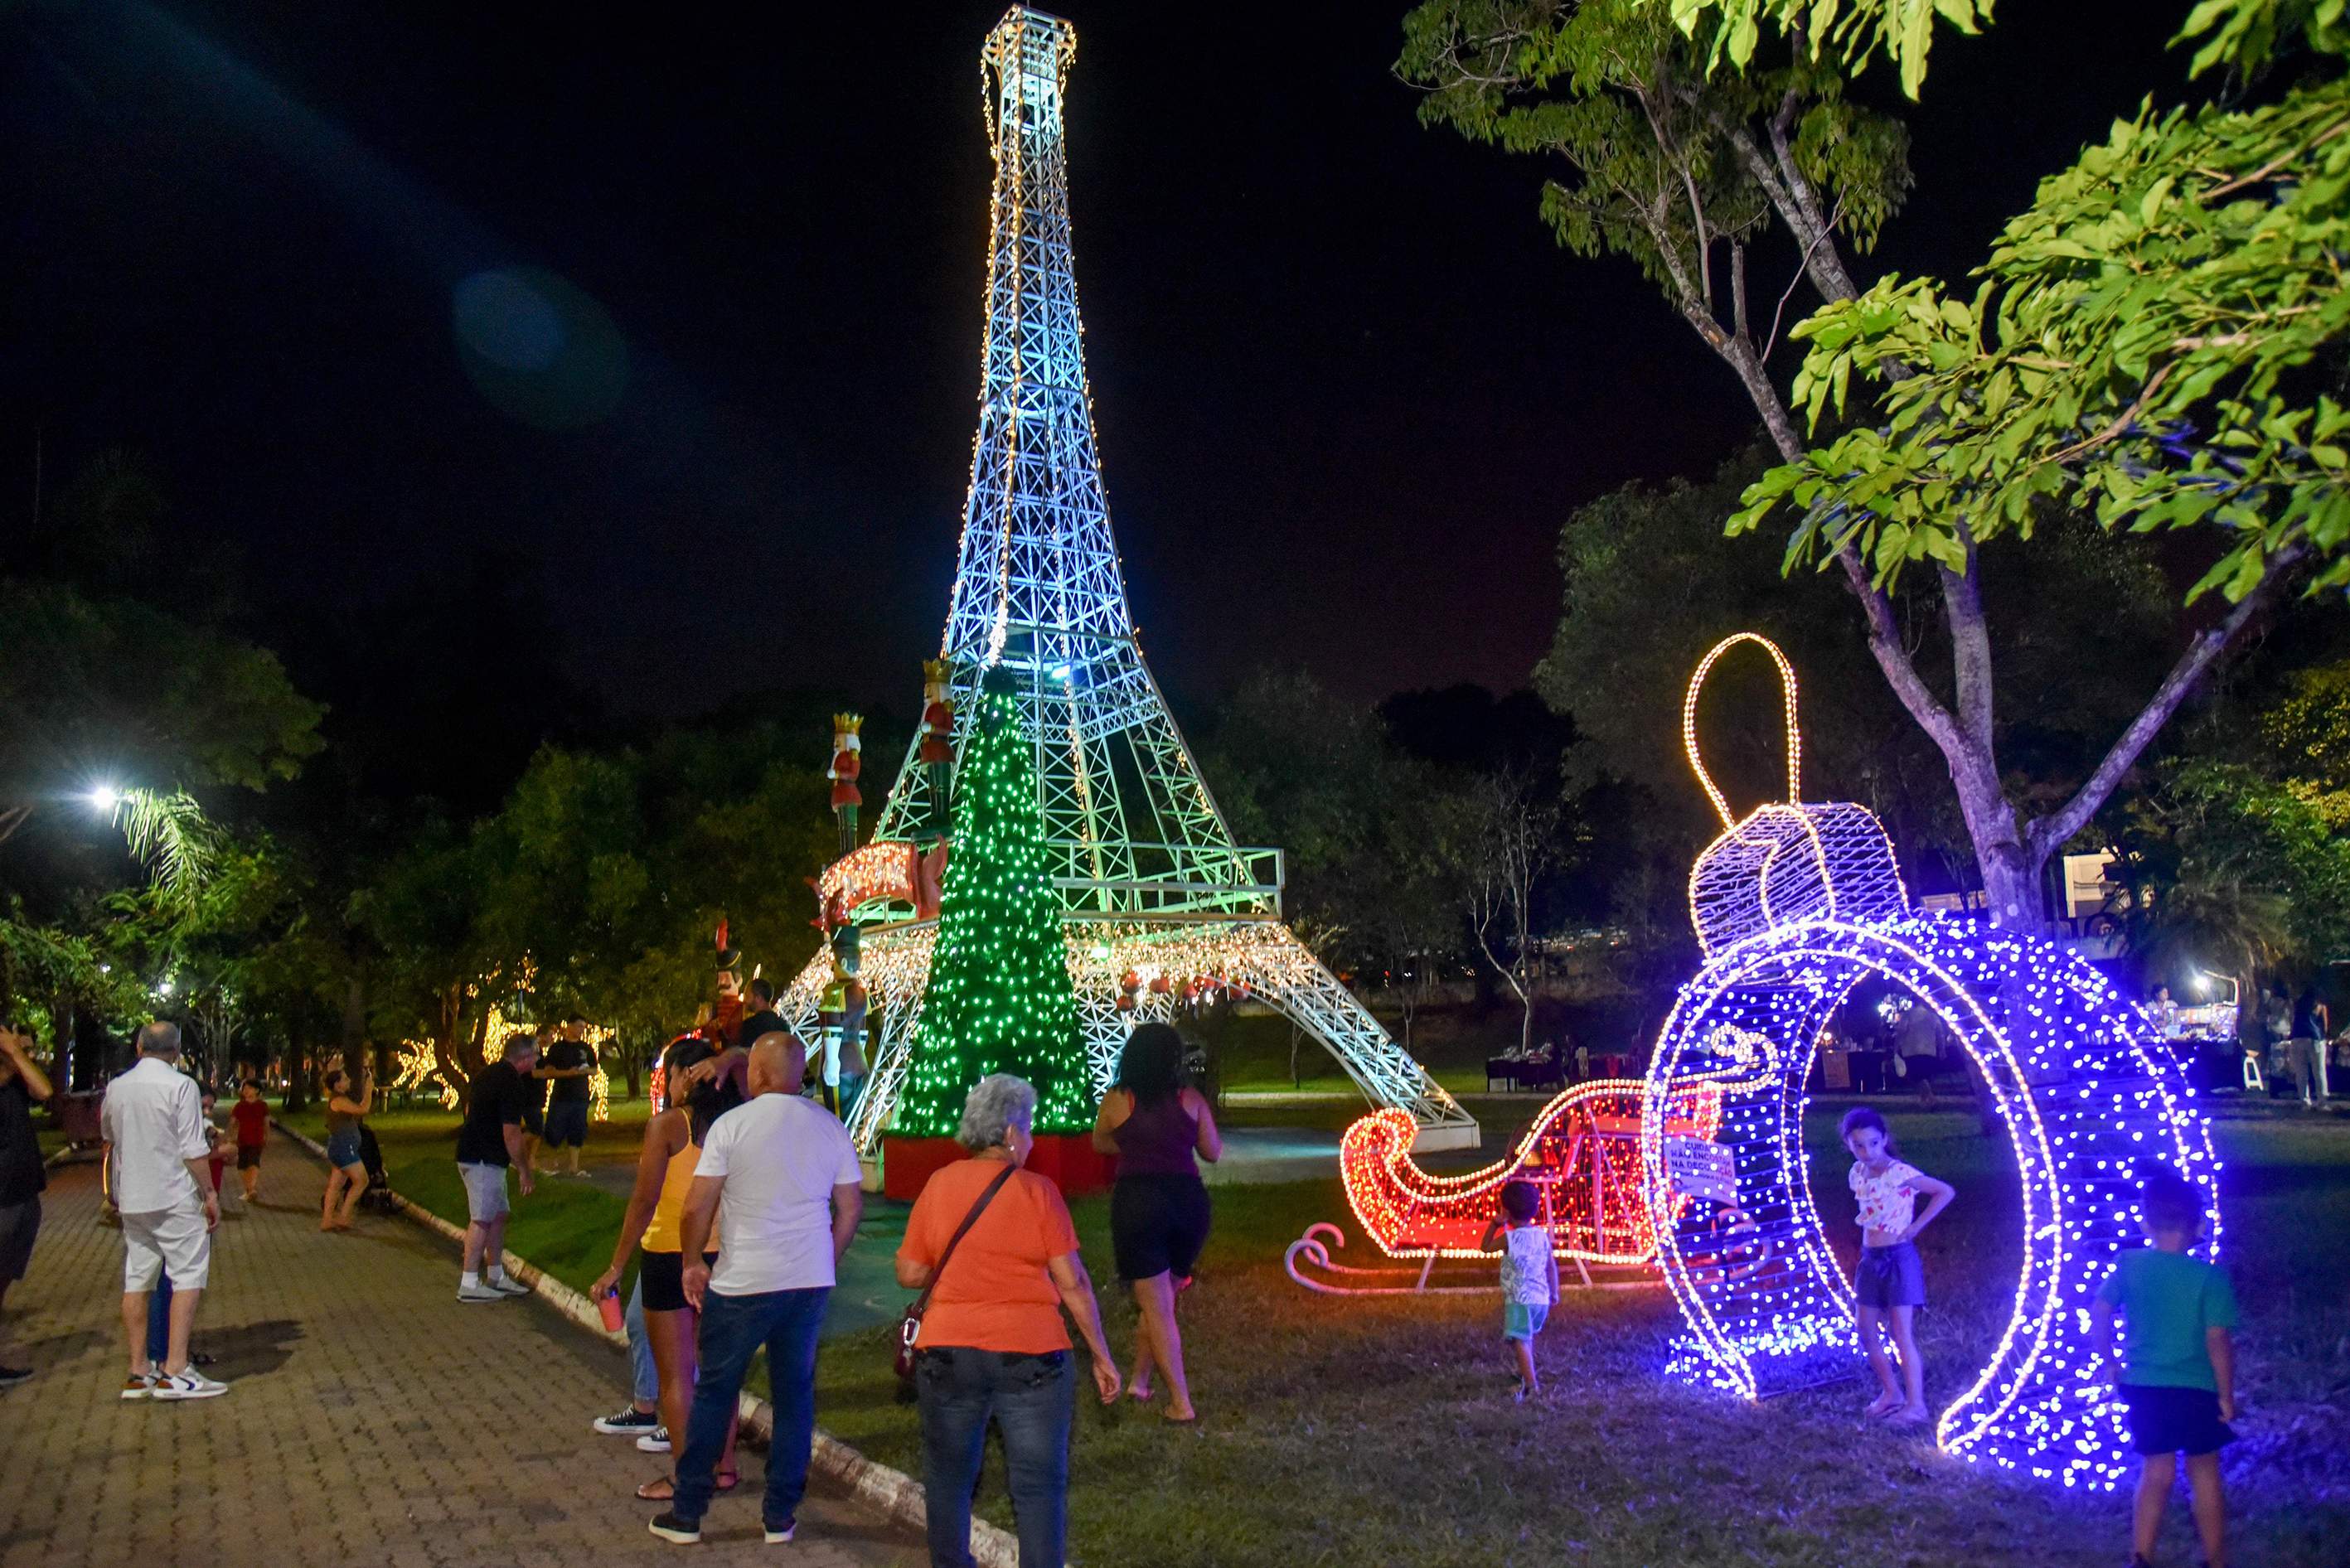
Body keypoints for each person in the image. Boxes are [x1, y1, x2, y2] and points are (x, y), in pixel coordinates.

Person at [648, 1033, 863, 1548]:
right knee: (794, 1398)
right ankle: (780, 1516)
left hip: (743, 1282)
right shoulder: (830, 1126)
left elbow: (697, 1207)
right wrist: (825, 1259)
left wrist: (693, 1261)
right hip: (805, 1286)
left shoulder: (732, 1126)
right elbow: (851, 1208)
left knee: (716, 1392)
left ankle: (689, 1512)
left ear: (759, 1076)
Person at [898, 1074, 1121, 1568]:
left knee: (949, 1478)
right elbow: (1073, 1285)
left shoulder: (939, 1185)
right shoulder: (1040, 1193)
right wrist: (1102, 1356)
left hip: (948, 1353)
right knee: (1039, 1488)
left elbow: (909, 1271)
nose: (1034, 1139)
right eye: (1030, 1128)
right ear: (1010, 1133)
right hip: (1032, 1357)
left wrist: (961, 1267)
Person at [594, 1038, 740, 1498]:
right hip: (725, 1257)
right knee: (718, 1372)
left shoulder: (667, 1127)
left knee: (677, 1377)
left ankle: (685, 1477)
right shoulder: (736, 1122)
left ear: (681, 1076)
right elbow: (757, 1056)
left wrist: (617, 1264)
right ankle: (725, 1466)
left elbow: (644, 1200)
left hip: (670, 1256)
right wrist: (727, 1058)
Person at [2093, 1168, 2236, 1568]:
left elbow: (2100, 1313)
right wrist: (2226, 1394)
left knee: (2156, 1471)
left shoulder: (2130, 1265)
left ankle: (2141, 1557)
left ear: (2146, 1221)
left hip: (2145, 1387)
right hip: (2196, 1389)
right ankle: (2216, 1560)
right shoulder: (2210, 1277)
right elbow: (2218, 1341)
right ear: (2195, 1224)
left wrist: (2110, 1363)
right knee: (2204, 1472)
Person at [1090, 1022, 1219, 1421]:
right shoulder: (1191, 1099)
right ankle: (1140, 1382)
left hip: (1138, 1205)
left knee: (1157, 1306)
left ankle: (1180, 1403)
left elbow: (1100, 1143)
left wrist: (1134, 1145)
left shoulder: (1117, 1100)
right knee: (1162, 1299)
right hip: (1188, 1205)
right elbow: (1212, 1152)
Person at [100, 1021, 225, 1401]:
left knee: (138, 1279)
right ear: (176, 1051)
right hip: (172, 1196)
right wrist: (209, 1193)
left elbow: (108, 1134)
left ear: (139, 1046)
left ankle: (140, 1371)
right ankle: (176, 1369)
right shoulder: (181, 1086)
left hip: (134, 1198)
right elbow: (192, 1147)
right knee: (187, 1276)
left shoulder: (117, 1087)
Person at [1839, 1106, 1955, 1425]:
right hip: (1870, 1258)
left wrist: (1916, 1227)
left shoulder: (1899, 1173)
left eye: (1874, 1143)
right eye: (1859, 1145)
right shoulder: (1857, 1173)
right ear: (1849, 1144)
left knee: (1900, 1333)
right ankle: (1892, 1392)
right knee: (1866, 1329)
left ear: (1884, 1140)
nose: (1867, 1152)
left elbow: (1943, 1191)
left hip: (1899, 1257)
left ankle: (1916, 1405)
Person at [454, 1033, 538, 1303]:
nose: (538, 1059)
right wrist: (525, 1169)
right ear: (524, 1058)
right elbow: (511, 1133)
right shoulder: (511, 1083)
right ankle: (469, 1282)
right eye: (536, 1054)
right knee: (482, 1218)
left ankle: (496, 1274)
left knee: (498, 1214)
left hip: (479, 1154)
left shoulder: (488, 1073)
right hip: (483, 1159)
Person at [0, 1022, 56, 1386]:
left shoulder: (14, 1077)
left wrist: (18, 1056)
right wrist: (13, 1055)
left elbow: (44, 1090)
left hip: (22, 1191)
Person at [1479, 1178, 1558, 1402]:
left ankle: (1532, 1386)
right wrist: (1555, 1291)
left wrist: (1495, 1224)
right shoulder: (1541, 1236)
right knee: (1526, 1338)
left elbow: (1484, 1248)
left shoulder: (1509, 1238)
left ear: (1506, 1210)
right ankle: (1524, 1372)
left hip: (1519, 1300)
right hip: (1540, 1300)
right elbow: (1551, 1264)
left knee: (1521, 1341)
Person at [540, 1015, 599, 1177]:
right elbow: (549, 1071)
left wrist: (584, 1071)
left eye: (583, 1027)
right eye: (579, 1026)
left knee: (577, 1130)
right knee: (554, 1130)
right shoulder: (558, 1048)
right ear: (570, 1027)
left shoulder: (586, 1048)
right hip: (561, 1096)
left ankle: (574, 1166)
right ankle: (552, 1163)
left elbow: (594, 1069)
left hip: (580, 1096)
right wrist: (567, 1073)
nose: (582, 1030)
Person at [318, 1066, 373, 1232]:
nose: (349, 1081)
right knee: (361, 1180)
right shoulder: (339, 1101)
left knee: (335, 1185)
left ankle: (327, 1220)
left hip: (340, 1146)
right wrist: (369, 1090)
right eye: (345, 1079)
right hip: (344, 1147)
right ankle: (343, 1217)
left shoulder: (340, 1099)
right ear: (337, 1085)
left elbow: (358, 1109)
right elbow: (363, 1110)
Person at [518, 1023, 555, 1177]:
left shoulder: (539, 1052)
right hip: (529, 1096)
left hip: (536, 1096)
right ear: (542, 1035)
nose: (553, 1038)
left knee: (538, 1130)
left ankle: (529, 1160)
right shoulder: (533, 1051)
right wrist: (547, 1072)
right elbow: (531, 1073)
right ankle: (512, 1149)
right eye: (551, 1034)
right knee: (536, 1129)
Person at [228, 1079, 269, 1203]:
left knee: (253, 1163)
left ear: (257, 1090)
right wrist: (230, 1136)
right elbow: (233, 1122)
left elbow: (266, 1122)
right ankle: (250, 1190)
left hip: (256, 1139)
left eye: (249, 1088)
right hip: (242, 1139)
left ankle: (250, 1190)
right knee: (242, 1166)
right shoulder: (240, 1106)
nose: (246, 1091)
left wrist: (267, 1136)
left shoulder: (262, 1105)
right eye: (244, 1088)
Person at [2289, 985, 2330, 1108]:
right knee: (2319, 1071)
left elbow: (2292, 1019)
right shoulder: (2320, 1006)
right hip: (2314, 1039)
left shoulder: (2297, 1004)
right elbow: (2324, 1026)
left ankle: (2305, 1101)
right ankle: (2322, 1102)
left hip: (2297, 1038)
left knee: (2301, 1072)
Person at [734, 978, 786, 1051]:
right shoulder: (783, 1025)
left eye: (747, 996)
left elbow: (743, 1055)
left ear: (758, 998)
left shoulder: (750, 1025)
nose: (744, 1001)